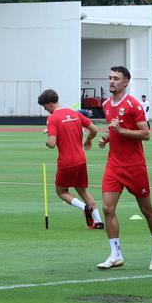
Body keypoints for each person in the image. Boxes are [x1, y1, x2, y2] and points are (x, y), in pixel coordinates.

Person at [97, 66, 152, 271]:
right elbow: (114, 129)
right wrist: (108, 138)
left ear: (125, 82)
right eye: (110, 77)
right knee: (107, 208)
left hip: (134, 167)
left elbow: (146, 134)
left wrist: (120, 130)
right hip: (114, 165)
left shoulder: (133, 104)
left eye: (116, 78)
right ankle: (115, 254)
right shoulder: (106, 104)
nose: (111, 81)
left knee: (146, 210)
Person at [38, 89, 103, 230]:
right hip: (81, 159)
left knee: (61, 191)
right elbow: (94, 130)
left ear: (49, 104)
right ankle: (98, 221)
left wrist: (46, 142)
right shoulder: (75, 114)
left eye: (44, 106)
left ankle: (84, 207)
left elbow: (51, 143)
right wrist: (88, 140)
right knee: (82, 190)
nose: (45, 110)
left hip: (66, 162)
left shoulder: (52, 118)